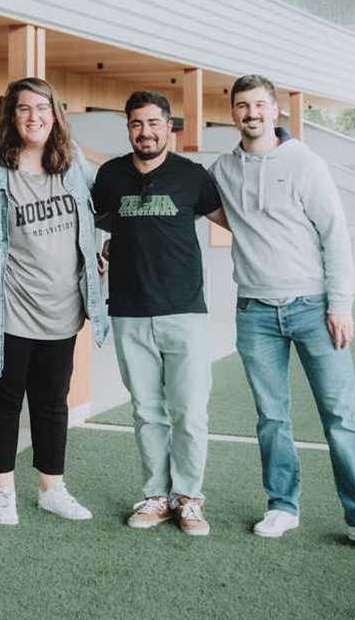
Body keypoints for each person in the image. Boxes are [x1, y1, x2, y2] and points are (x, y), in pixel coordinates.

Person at [209, 75, 355, 557]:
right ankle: (282, 506)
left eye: (259, 105)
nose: (251, 113)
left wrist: (341, 304)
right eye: (242, 105)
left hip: (313, 308)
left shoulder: (305, 163)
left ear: (275, 110)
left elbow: (335, 234)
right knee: (272, 417)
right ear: (233, 112)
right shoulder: (223, 170)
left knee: (340, 416)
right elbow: (209, 208)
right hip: (255, 311)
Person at [0, 78, 110, 526]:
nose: (34, 117)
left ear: (56, 115)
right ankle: (3, 493)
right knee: (2, 402)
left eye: (42, 108)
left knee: (52, 403)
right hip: (10, 308)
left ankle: (52, 489)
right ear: (11, 116)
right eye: (24, 108)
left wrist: (103, 252)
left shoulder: (74, 164)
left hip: (63, 308)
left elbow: (106, 210)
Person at [91, 90, 222, 537]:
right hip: (129, 310)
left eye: (153, 123)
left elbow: (235, 221)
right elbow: (99, 223)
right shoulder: (110, 175)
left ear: (169, 127)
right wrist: (104, 249)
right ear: (129, 128)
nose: (145, 132)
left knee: (190, 411)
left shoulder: (192, 176)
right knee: (147, 411)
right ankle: (156, 496)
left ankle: (188, 497)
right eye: (136, 124)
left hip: (184, 310)